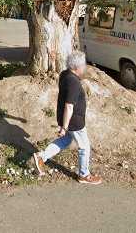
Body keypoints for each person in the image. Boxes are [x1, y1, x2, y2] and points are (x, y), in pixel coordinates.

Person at [32, 50, 102, 184]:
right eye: (83, 65)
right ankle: (84, 175)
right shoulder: (73, 82)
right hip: (74, 121)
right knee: (84, 147)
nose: (85, 67)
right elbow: (69, 106)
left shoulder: (65, 74)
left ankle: (42, 156)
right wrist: (64, 127)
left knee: (66, 140)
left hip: (66, 118)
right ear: (77, 67)